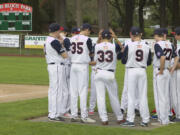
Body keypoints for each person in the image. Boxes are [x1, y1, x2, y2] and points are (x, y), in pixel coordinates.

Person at [121, 27, 151, 127]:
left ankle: (130, 120)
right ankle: (145, 120)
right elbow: (149, 61)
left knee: (131, 96)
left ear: (132, 35)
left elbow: (123, 61)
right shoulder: (146, 45)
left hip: (131, 70)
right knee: (142, 96)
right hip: (142, 70)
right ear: (140, 35)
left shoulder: (129, 45)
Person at [93, 29, 124, 125]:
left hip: (99, 72)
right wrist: (116, 38)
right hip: (110, 73)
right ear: (110, 37)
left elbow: (95, 50)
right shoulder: (114, 46)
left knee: (100, 97)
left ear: (101, 37)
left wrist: (99, 38)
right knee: (113, 97)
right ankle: (119, 118)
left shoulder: (96, 46)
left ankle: (104, 119)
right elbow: (123, 49)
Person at [69, 23, 96, 123]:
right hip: (82, 66)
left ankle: (74, 115)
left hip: (73, 65)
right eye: (89, 31)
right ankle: (84, 117)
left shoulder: (72, 38)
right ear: (87, 29)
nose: (89, 33)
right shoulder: (87, 39)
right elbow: (91, 53)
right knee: (83, 91)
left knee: (74, 91)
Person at [153, 28, 177, 125]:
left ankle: (162, 119)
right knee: (166, 96)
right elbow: (177, 57)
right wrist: (172, 67)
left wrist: (161, 70)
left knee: (160, 96)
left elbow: (162, 57)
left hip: (161, 70)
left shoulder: (157, 44)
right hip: (168, 71)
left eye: (154, 35)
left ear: (157, 35)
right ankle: (166, 117)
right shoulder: (170, 44)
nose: (154, 37)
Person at [44, 23, 68, 121]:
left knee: (53, 90)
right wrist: (62, 43)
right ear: (56, 31)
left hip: (52, 66)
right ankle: (53, 114)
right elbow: (65, 55)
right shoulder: (54, 41)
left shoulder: (47, 40)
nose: (60, 32)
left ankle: (53, 113)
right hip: (57, 66)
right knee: (56, 91)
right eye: (59, 30)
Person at [170, 27, 180, 122]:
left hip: (178, 73)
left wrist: (172, 68)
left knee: (177, 94)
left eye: (176, 34)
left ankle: (179, 116)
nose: (174, 35)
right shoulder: (178, 45)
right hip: (176, 72)